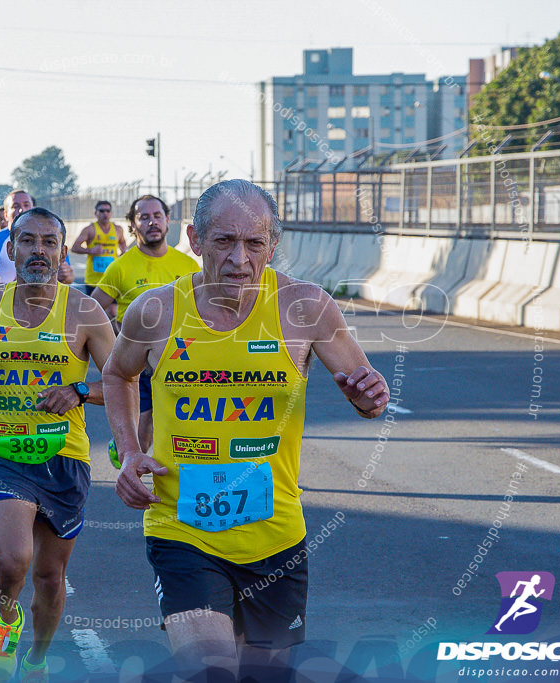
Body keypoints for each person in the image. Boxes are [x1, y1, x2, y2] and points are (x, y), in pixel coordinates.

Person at [102, 179, 390, 681]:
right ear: (194, 239)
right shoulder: (156, 310)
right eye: (224, 241)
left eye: (255, 243)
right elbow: (116, 373)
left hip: (276, 538)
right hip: (182, 532)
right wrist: (129, 451)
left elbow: (366, 395)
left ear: (273, 245)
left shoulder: (305, 307)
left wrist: (369, 399)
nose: (240, 258)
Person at [0, 207, 115, 683]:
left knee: (49, 577)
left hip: (65, 457)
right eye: (28, 241)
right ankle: (6, 620)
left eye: (48, 242)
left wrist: (79, 391)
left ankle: (36, 659)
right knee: (12, 560)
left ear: (61, 253)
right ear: (10, 248)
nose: (38, 250)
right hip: (3, 452)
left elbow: (121, 379)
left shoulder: (85, 312)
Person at [91, 195, 199, 452]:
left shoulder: (187, 265)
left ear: (168, 220)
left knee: (181, 434)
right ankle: (131, 467)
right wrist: (116, 335)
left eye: (158, 216)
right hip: (138, 365)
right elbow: (92, 310)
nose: (152, 222)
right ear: (133, 224)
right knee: (142, 436)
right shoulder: (121, 267)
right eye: (144, 217)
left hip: (180, 361)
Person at [0, 190, 75, 291]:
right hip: (5, 309)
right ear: (6, 214)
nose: (22, 209)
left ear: (33, 208)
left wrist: (68, 276)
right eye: (15, 206)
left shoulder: (51, 238)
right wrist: (11, 291)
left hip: (46, 307)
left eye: (26, 205)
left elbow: (67, 277)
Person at [70, 200, 127, 295]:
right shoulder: (90, 229)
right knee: (93, 308)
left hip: (111, 278)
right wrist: (90, 250)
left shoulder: (118, 229)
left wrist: (123, 253)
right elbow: (74, 247)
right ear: (95, 213)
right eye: (101, 211)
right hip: (93, 280)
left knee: (112, 310)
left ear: (111, 213)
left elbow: (122, 243)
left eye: (108, 211)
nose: (105, 213)